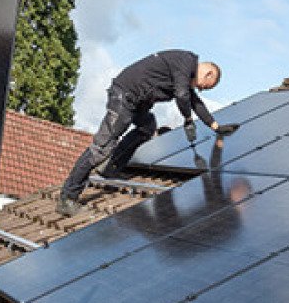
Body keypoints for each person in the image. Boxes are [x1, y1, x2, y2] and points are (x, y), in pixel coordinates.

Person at [57, 50, 237, 216]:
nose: (201, 89)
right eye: (205, 86)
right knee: (101, 148)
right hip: (124, 96)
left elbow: (194, 101)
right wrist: (188, 119)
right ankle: (67, 198)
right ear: (208, 74)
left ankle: (111, 168)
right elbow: (182, 95)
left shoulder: (184, 72)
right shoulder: (185, 62)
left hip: (136, 103)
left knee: (147, 127)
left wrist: (215, 126)